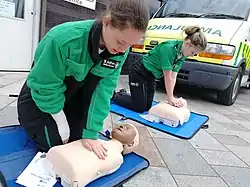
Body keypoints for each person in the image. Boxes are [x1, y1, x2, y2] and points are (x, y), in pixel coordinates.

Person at [17, 0, 149, 160]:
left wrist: (92, 133)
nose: (122, 50)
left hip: (72, 96)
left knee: (82, 142)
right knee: (56, 143)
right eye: (120, 42)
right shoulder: (62, 39)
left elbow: (103, 91)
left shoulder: (120, 51)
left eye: (130, 45)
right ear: (107, 22)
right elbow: (44, 85)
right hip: (41, 98)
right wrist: (60, 121)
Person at [112, 26, 207, 113]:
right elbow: (168, 76)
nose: (192, 55)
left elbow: (173, 77)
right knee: (139, 107)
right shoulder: (168, 48)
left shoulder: (182, 55)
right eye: (193, 52)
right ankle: (115, 95)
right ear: (187, 44)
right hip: (139, 71)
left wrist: (172, 97)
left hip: (151, 76)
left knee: (147, 107)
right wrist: (170, 98)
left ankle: (125, 94)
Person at [45, 123, 139, 187]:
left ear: (130, 144)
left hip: (71, 174)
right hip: (58, 157)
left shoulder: (117, 158)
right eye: (122, 125)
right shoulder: (96, 140)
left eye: (127, 128)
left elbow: (100, 171)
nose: (122, 126)